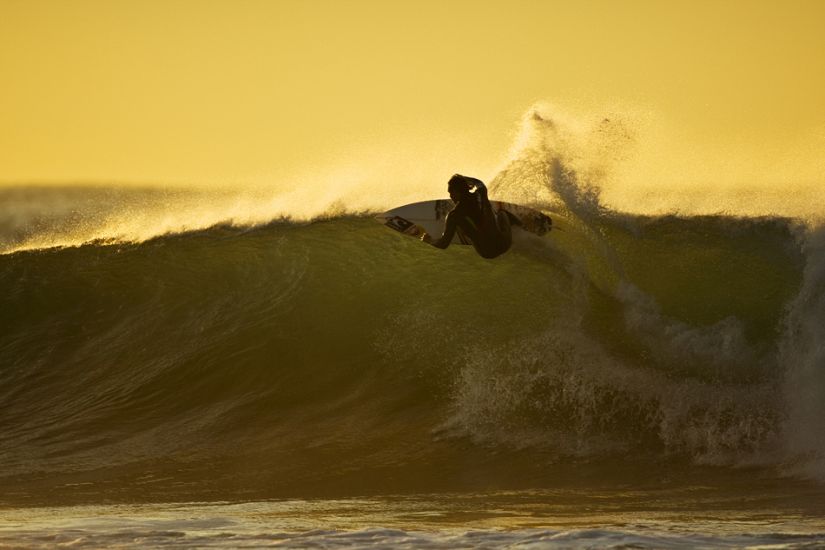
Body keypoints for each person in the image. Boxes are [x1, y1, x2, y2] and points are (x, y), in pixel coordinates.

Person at [422, 174, 513, 259]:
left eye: (451, 192)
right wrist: (463, 179)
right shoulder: (481, 193)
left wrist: (429, 242)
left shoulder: (454, 215)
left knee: (461, 224)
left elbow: (443, 244)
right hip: (504, 244)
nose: (450, 196)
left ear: (458, 192)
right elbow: (479, 183)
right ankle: (519, 225)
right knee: (502, 213)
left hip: (487, 252)